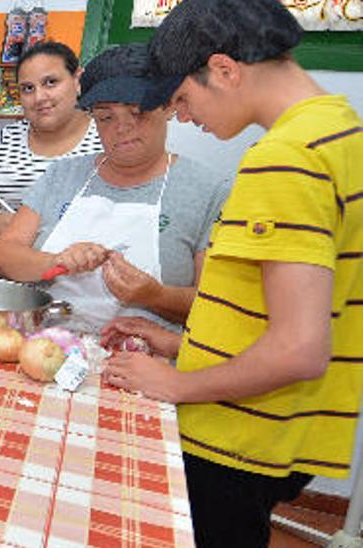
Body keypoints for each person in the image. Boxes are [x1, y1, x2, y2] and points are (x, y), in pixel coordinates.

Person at [101, 1, 363, 545]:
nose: (186, 119)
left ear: (223, 70)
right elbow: (293, 305)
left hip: (234, 438)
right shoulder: (341, 130)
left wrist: (178, 382)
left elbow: (298, 347)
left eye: (182, 101)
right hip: (286, 428)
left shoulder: (285, 158)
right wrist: (182, 345)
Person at [0, 44, 230, 332]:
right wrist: (56, 261)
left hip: (142, 364)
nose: (122, 127)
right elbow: (3, 256)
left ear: (167, 107)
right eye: (106, 117)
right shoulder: (62, 175)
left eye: (138, 112)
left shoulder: (208, 191)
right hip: (46, 345)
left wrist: (156, 296)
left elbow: (218, 306)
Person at [0, 42, 103, 278]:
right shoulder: (0, 141)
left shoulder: (105, 140)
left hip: (74, 289)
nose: (39, 97)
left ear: (77, 79)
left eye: (51, 82)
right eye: (28, 88)